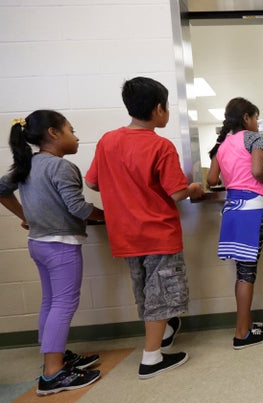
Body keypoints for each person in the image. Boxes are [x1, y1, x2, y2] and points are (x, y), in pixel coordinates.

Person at [85, 77, 204, 378]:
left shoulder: (107, 141)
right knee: (162, 295)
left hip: (124, 234)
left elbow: (92, 182)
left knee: (145, 292)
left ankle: (162, 337)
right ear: (159, 108)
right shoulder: (160, 146)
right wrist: (193, 188)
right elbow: (177, 193)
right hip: (157, 233)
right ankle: (151, 359)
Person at [0, 111, 104, 395]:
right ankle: (53, 374)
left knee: (51, 302)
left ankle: (56, 356)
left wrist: (25, 215)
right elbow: (77, 208)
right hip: (61, 245)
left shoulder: (27, 165)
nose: (76, 137)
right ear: (53, 133)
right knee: (64, 304)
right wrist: (108, 216)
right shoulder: (61, 167)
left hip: (38, 243)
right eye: (71, 130)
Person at [206, 97, 263, 349]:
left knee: (242, 272)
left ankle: (246, 323)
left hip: (232, 212)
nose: (257, 122)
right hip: (251, 212)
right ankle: (242, 333)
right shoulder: (254, 138)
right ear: (246, 117)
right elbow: (258, 171)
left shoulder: (222, 144)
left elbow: (212, 179)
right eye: (255, 117)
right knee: (247, 274)